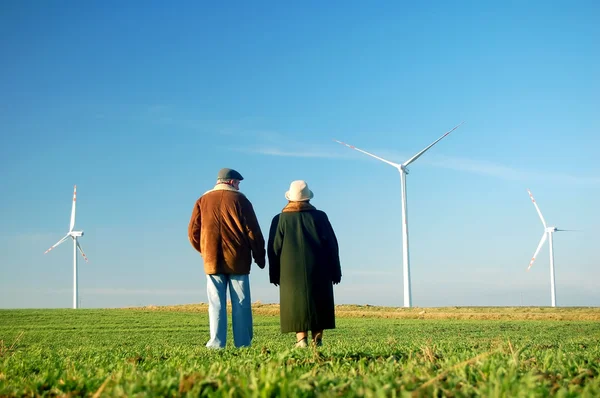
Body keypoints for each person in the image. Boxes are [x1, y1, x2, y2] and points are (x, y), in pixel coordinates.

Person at [188, 168, 266, 348]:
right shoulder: (241, 200)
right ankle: (243, 344)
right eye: (238, 183)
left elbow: (193, 231)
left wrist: (204, 250)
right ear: (231, 181)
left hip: (212, 260)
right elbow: (253, 231)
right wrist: (259, 256)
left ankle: (216, 343)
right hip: (238, 259)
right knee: (241, 304)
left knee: (215, 303)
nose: (238, 187)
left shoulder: (202, 200)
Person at [267, 180, 342, 347]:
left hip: (289, 272)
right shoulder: (320, 217)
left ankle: (301, 340)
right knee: (319, 302)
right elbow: (332, 245)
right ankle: (318, 340)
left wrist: (274, 273)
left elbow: (273, 248)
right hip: (319, 268)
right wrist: (336, 270)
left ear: (289, 199)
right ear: (308, 199)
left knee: (296, 304)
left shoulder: (279, 219)